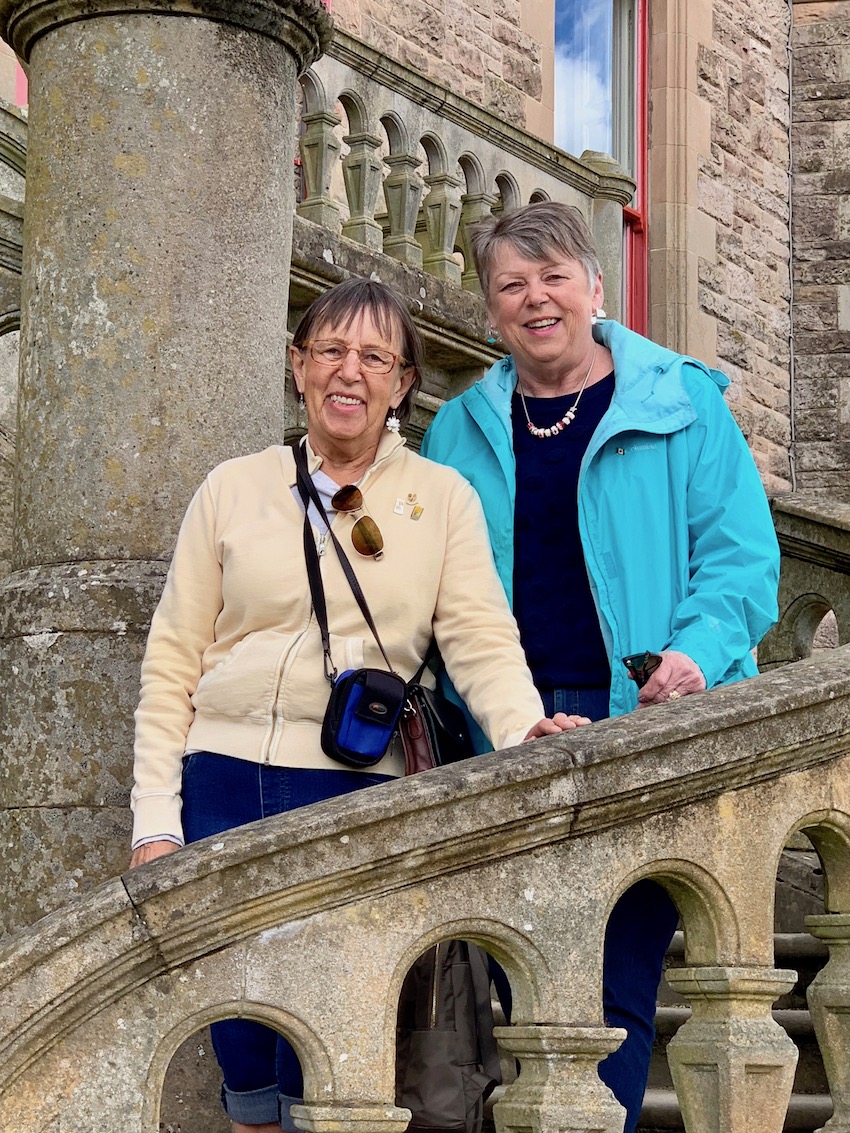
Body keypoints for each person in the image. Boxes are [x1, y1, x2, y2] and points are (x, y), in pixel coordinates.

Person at [128, 277, 588, 1133]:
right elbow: (172, 662)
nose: (350, 372)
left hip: (359, 787)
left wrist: (525, 727)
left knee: (339, 1040)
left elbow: (481, 639)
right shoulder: (232, 487)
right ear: (297, 365)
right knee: (242, 1048)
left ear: (403, 382)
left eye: (375, 356)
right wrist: (156, 818)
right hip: (224, 782)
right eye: (331, 350)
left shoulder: (441, 498)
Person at [420, 201, 780, 1133]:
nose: (535, 299)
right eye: (511, 284)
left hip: (644, 722)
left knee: (612, 986)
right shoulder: (457, 430)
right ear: (491, 309)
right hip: (505, 734)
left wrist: (696, 658)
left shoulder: (681, 398)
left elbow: (741, 560)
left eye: (553, 278)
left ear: (595, 288)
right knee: (524, 982)